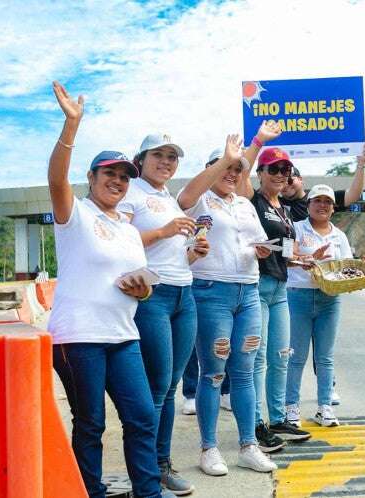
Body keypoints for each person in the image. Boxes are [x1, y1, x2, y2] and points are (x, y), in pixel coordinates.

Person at [47, 81, 173, 498]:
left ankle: (148, 492)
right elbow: (56, 179)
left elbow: (139, 286)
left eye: (124, 177)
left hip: (123, 336)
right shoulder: (75, 215)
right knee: (91, 423)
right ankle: (90, 493)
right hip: (79, 338)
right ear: (92, 176)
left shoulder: (129, 229)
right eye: (110, 174)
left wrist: (142, 291)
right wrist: (71, 126)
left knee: (141, 418)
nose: (118, 181)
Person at [118, 130, 221, 496]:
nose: (165, 162)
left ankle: (160, 465)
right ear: (140, 160)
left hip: (184, 294)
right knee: (157, 387)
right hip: (154, 296)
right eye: (158, 155)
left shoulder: (168, 199)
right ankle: (149, 472)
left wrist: (194, 252)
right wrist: (163, 231)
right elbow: (119, 240)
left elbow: (174, 253)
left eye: (172, 157)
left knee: (172, 387)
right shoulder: (131, 192)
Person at [177, 141, 278, 475]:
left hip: (248, 291)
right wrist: (227, 158)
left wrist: (261, 250)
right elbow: (185, 198)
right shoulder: (199, 200)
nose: (233, 174)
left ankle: (248, 445)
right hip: (210, 291)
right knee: (214, 370)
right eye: (228, 168)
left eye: (238, 169)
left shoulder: (245, 205)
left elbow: (256, 241)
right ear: (215, 168)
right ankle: (209, 448)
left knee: (245, 371)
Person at [238, 145, 313, 451]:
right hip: (257, 286)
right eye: (274, 169)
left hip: (280, 287)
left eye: (286, 170)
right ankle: (256, 424)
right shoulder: (251, 200)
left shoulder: (283, 207)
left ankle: (278, 417)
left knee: (281, 356)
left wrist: (301, 261)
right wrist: (258, 141)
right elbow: (242, 170)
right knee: (257, 359)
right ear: (260, 174)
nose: (282, 175)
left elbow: (281, 250)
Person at [285, 185, 353, 428]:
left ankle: (325, 407)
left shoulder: (340, 236)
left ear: (333, 208)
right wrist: (308, 259)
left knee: (325, 357)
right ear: (309, 204)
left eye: (328, 202)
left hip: (329, 299)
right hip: (298, 297)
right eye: (317, 201)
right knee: (296, 356)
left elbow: (347, 267)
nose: (322, 205)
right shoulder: (294, 228)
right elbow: (284, 260)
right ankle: (291, 407)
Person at [279, 144, 365, 222]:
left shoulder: (320, 196)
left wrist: (361, 163)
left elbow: (353, 195)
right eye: (281, 180)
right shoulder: (273, 202)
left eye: (290, 180)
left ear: (300, 179)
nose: (286, 184)